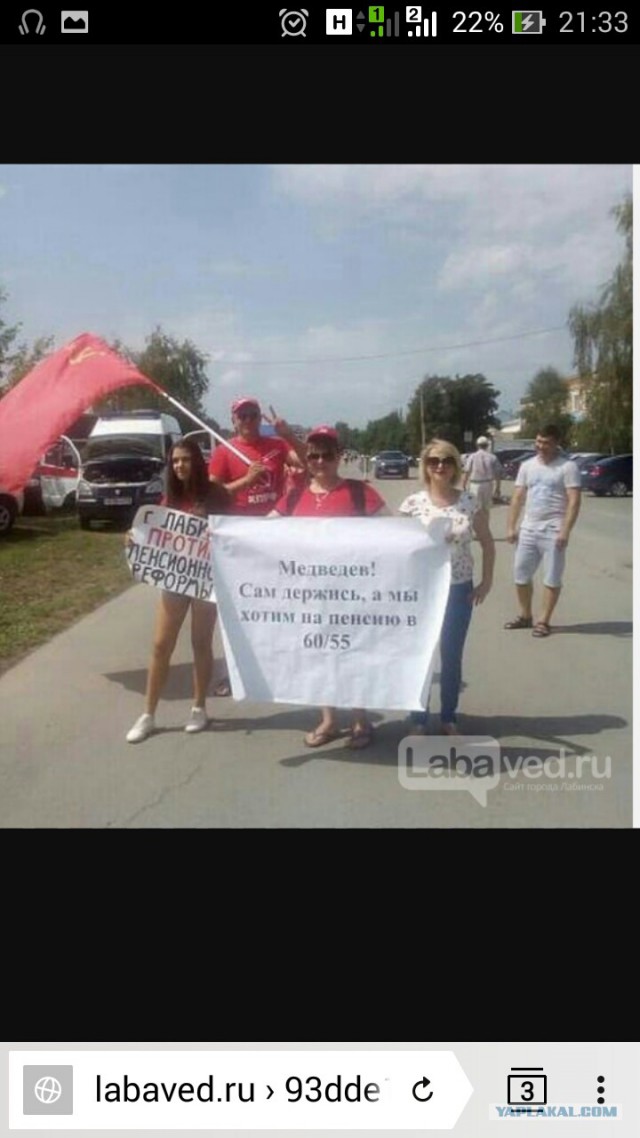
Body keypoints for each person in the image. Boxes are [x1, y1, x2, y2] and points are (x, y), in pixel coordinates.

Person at [269, 425, 388, 750]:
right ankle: (329, 719)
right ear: (307, 459)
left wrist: (433, 537)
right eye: (314, 455)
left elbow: (396, 534)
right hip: (310, 594)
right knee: (319, 655)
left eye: (327, 455)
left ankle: (360, 719)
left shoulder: (360, 492)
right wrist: (223, 537)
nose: (320, 461)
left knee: (355, 654)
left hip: (353, 595)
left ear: (339, 457)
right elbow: (260, 533)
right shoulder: (294, 495)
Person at [125, 438, 230, 743]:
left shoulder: (215, 494)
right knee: (160, 644)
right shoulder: (170, 497)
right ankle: (148, 714)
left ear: (198, 461)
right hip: (174, 580)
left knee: (200, 643)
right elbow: (153, 530)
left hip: (205, 580)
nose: (180, 465)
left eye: (185, 459)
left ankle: (199, 708)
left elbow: (233, 532)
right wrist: (134, 537)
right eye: (175, 461)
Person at [208, 396, 306, 694]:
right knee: (236, 607)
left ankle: (277, 665)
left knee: (275, 602)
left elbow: (307, 463)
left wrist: (287, 434)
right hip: (237, 538)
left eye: (253, 415)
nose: (248, 420)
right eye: (243, 415)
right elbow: (212, 493)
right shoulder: (224, 452)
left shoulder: (276, 445)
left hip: (273, 535)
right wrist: (246, 481)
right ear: (234, 419)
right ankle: (231, 672)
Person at [398, 438, 495, 735]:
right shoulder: (413, 504)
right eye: (433, 461)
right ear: (425, 467)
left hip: (458, 589)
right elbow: (394, 549)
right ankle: (418, 718)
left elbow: (488, 544)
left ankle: (449, 716)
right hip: (421, 592)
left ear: (455, 466)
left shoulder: (469, 501)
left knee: (452, 655)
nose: (440, 466)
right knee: (421, 655)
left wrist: (486, 582)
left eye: (446, 461)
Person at [504, 423, 581, 638]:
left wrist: (565, 530)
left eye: (546, 442)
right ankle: (525, 615)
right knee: (520, 574)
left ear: (557, 443)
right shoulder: (527, 466)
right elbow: (518, 498)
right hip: (529, 528)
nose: (541, 446)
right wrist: (511, 526)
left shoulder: (567, 467)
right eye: (538, 441)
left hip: (553, 528)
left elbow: (574, 501)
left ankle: (543, 621)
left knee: (552, 577)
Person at [462, 435, 502, 510]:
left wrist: (463, 484)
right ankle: (485, 521)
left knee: (475, 507)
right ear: (487, 445)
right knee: (486, 508)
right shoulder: (492, 457)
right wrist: (497, 488)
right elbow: (497, 473)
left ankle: (476, 521)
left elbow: (467, 471)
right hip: (488, 484)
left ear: (477, 445)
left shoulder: (472, 456)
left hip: (475, 484)